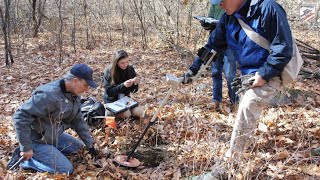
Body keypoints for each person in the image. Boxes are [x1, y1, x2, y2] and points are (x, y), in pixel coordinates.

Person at [183, 0, 293, 159]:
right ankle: (247, 146)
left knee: (248, 104)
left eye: (221, 1)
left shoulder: (269, 8)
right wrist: (192, 70)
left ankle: (230, 163)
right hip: (248, 75)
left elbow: (283, 48)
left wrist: (263, 74)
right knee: (243, 108)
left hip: (272, 71)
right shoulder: (228, 17)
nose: (219, 5)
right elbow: (212, 46)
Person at [6, 64, 99, 174]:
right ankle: (28, 162)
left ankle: (50, 153)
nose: (87, 89)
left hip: (54, 135)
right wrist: (26, 147)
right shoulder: (49, 95)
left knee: (79, 148)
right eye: (85, 85)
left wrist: (90, 145)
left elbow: (78, 120)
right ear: (75, 81)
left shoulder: (74, 94)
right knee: (66, 170)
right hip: (37, 140)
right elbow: (20, 116)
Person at [199, 2, 238, 111]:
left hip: (229, 43)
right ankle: (216, 100)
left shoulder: (233, 5)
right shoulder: (214, 4)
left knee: (230, 74)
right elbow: (210, 18)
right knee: (216, 72)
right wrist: (206, 24)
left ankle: (235, 101)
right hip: (215, 41)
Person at [103, 49, 143, 119]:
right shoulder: (109, 71)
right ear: (116, 62)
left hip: (125, 99)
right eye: (122, 63)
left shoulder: (130, 69)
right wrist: (123, 85)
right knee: (126, 114)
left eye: (127, 62)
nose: (125, 64)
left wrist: (135, 83)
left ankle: (126, 114)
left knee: (139, 112)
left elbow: (134, 90)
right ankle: (108, 111)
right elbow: (109, 92)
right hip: (112, 100)